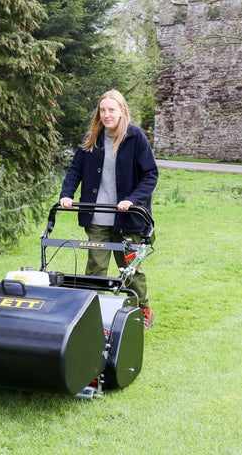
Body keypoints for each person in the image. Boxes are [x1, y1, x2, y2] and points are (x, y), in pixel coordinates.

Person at [59, 90, 159, 329]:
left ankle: (144, 309)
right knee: (95, 268)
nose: (106, 115)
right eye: (102, 110)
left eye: (111, 110)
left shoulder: (135, 138)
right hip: (98, 215)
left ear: (122, 110)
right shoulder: (93, 137)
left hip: (128, 218)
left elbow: (150, 174)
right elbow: (75, 170)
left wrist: (133, 200)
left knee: (130, 268)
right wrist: (67, 193)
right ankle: (91, 318)